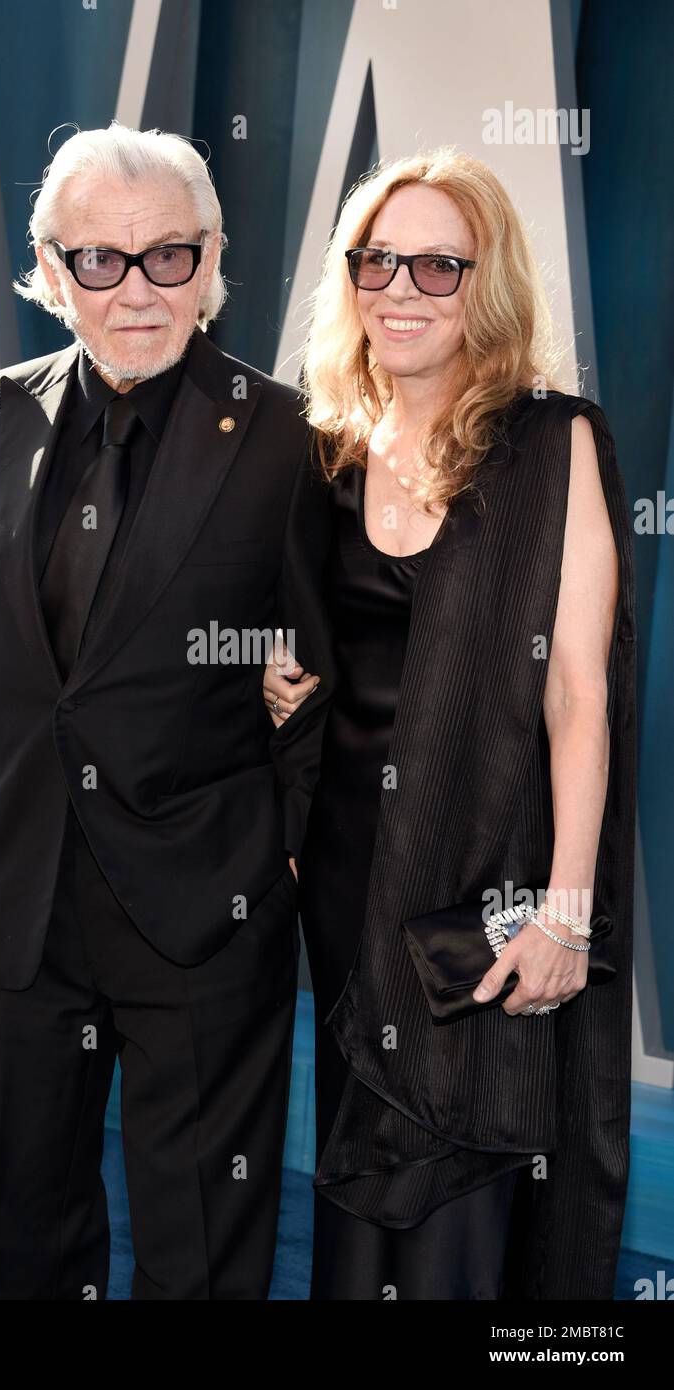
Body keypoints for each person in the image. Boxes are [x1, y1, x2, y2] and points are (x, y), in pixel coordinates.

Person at [0, 122, 333, 1300]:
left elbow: (333, 672)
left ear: (212, 262)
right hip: (21, 904)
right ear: (51, 268)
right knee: (20, 1237)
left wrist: (292, 857)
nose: (136, 290)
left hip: (205, 910)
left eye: (167, 256)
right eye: (100, 260)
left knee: (204, 1250)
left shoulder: (288, 437)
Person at [264, 148, 636, 1300]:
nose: (403, 289)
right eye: (379, 261)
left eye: (439, 264)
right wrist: (272, 680)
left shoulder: (548, 442)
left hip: (486, 883)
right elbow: (297, 649)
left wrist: (565, 917)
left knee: (464, 1196)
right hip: (343, 877)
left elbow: (578, 690)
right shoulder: (320, 451)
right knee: (357, 1177)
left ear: (488, 285)